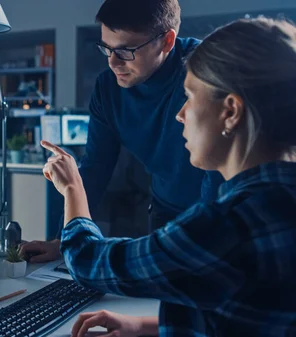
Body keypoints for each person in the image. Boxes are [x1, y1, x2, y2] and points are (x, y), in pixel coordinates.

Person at [42, 17, 296, 337]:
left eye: (190, 96)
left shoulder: (225, 227)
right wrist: (144, 326)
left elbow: (88, 261)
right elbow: (237, 312)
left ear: (230, 111)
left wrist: (71, 187)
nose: (180, 113)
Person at [21, 0, 224, 263]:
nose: (113, 63)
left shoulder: (206, 73)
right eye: (106, 48)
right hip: (165, 211)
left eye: (126, 51)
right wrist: (62, 239)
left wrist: (210, 240)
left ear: (167, 41)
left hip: (217, 210)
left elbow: (219, 170)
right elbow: (96, 166)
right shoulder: (108, 89)